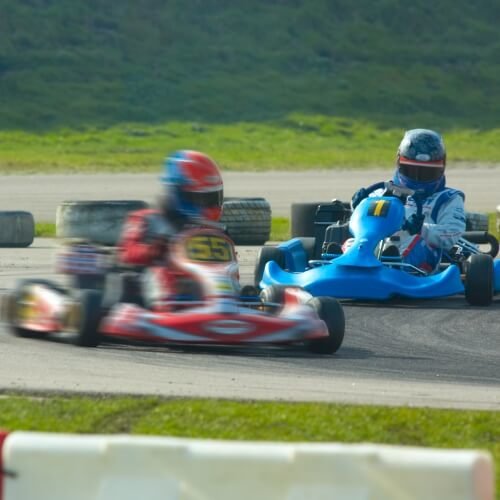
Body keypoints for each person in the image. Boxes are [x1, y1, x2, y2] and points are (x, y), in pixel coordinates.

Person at [115, 150, 224, 307]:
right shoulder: (147, 219)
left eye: (214, 198)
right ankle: (166, 307)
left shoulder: (210, 229)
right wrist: (153, 250)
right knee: (159, 273)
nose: (210, 205)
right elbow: (126, 253)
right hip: (153, 290)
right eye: (203, 199)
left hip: (203, 286)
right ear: (177, 193)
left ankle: (227, 305)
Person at [350, 129, 466, 272]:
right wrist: (357, 205)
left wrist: (421, 229)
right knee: (352, 242)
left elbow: (452, 234)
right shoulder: (382, 192)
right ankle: (343, 263)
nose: (418, 178)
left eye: (427, 172)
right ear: (399, 163)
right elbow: (361, 222)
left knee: (415, 243)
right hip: (374, 244)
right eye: (412, 171)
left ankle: (393, 266)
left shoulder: (447, 199)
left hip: (417, 255)